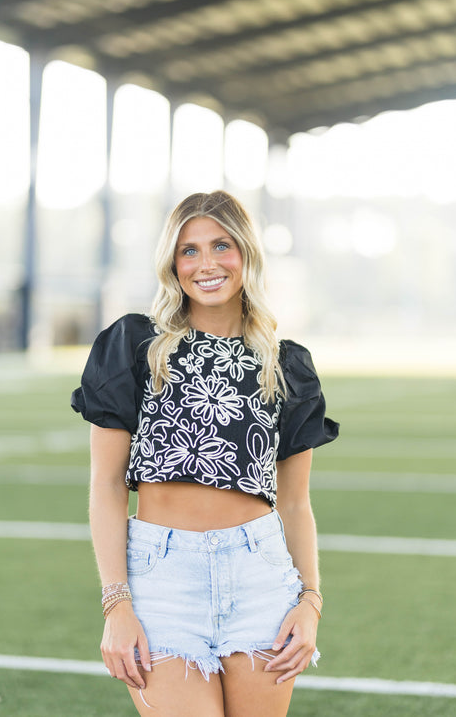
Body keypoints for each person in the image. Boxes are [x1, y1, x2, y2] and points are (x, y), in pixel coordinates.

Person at [71, 190, 339, 717]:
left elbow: (295, 505)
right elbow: (106, 485)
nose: (207, 264)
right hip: (161, 581)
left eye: (222, 245)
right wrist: (116, 603)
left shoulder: (287, 367)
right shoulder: (134, 347)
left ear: (246, 253)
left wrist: (310, 602)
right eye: (189, 250)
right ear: (172, 263)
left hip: (260, 575)